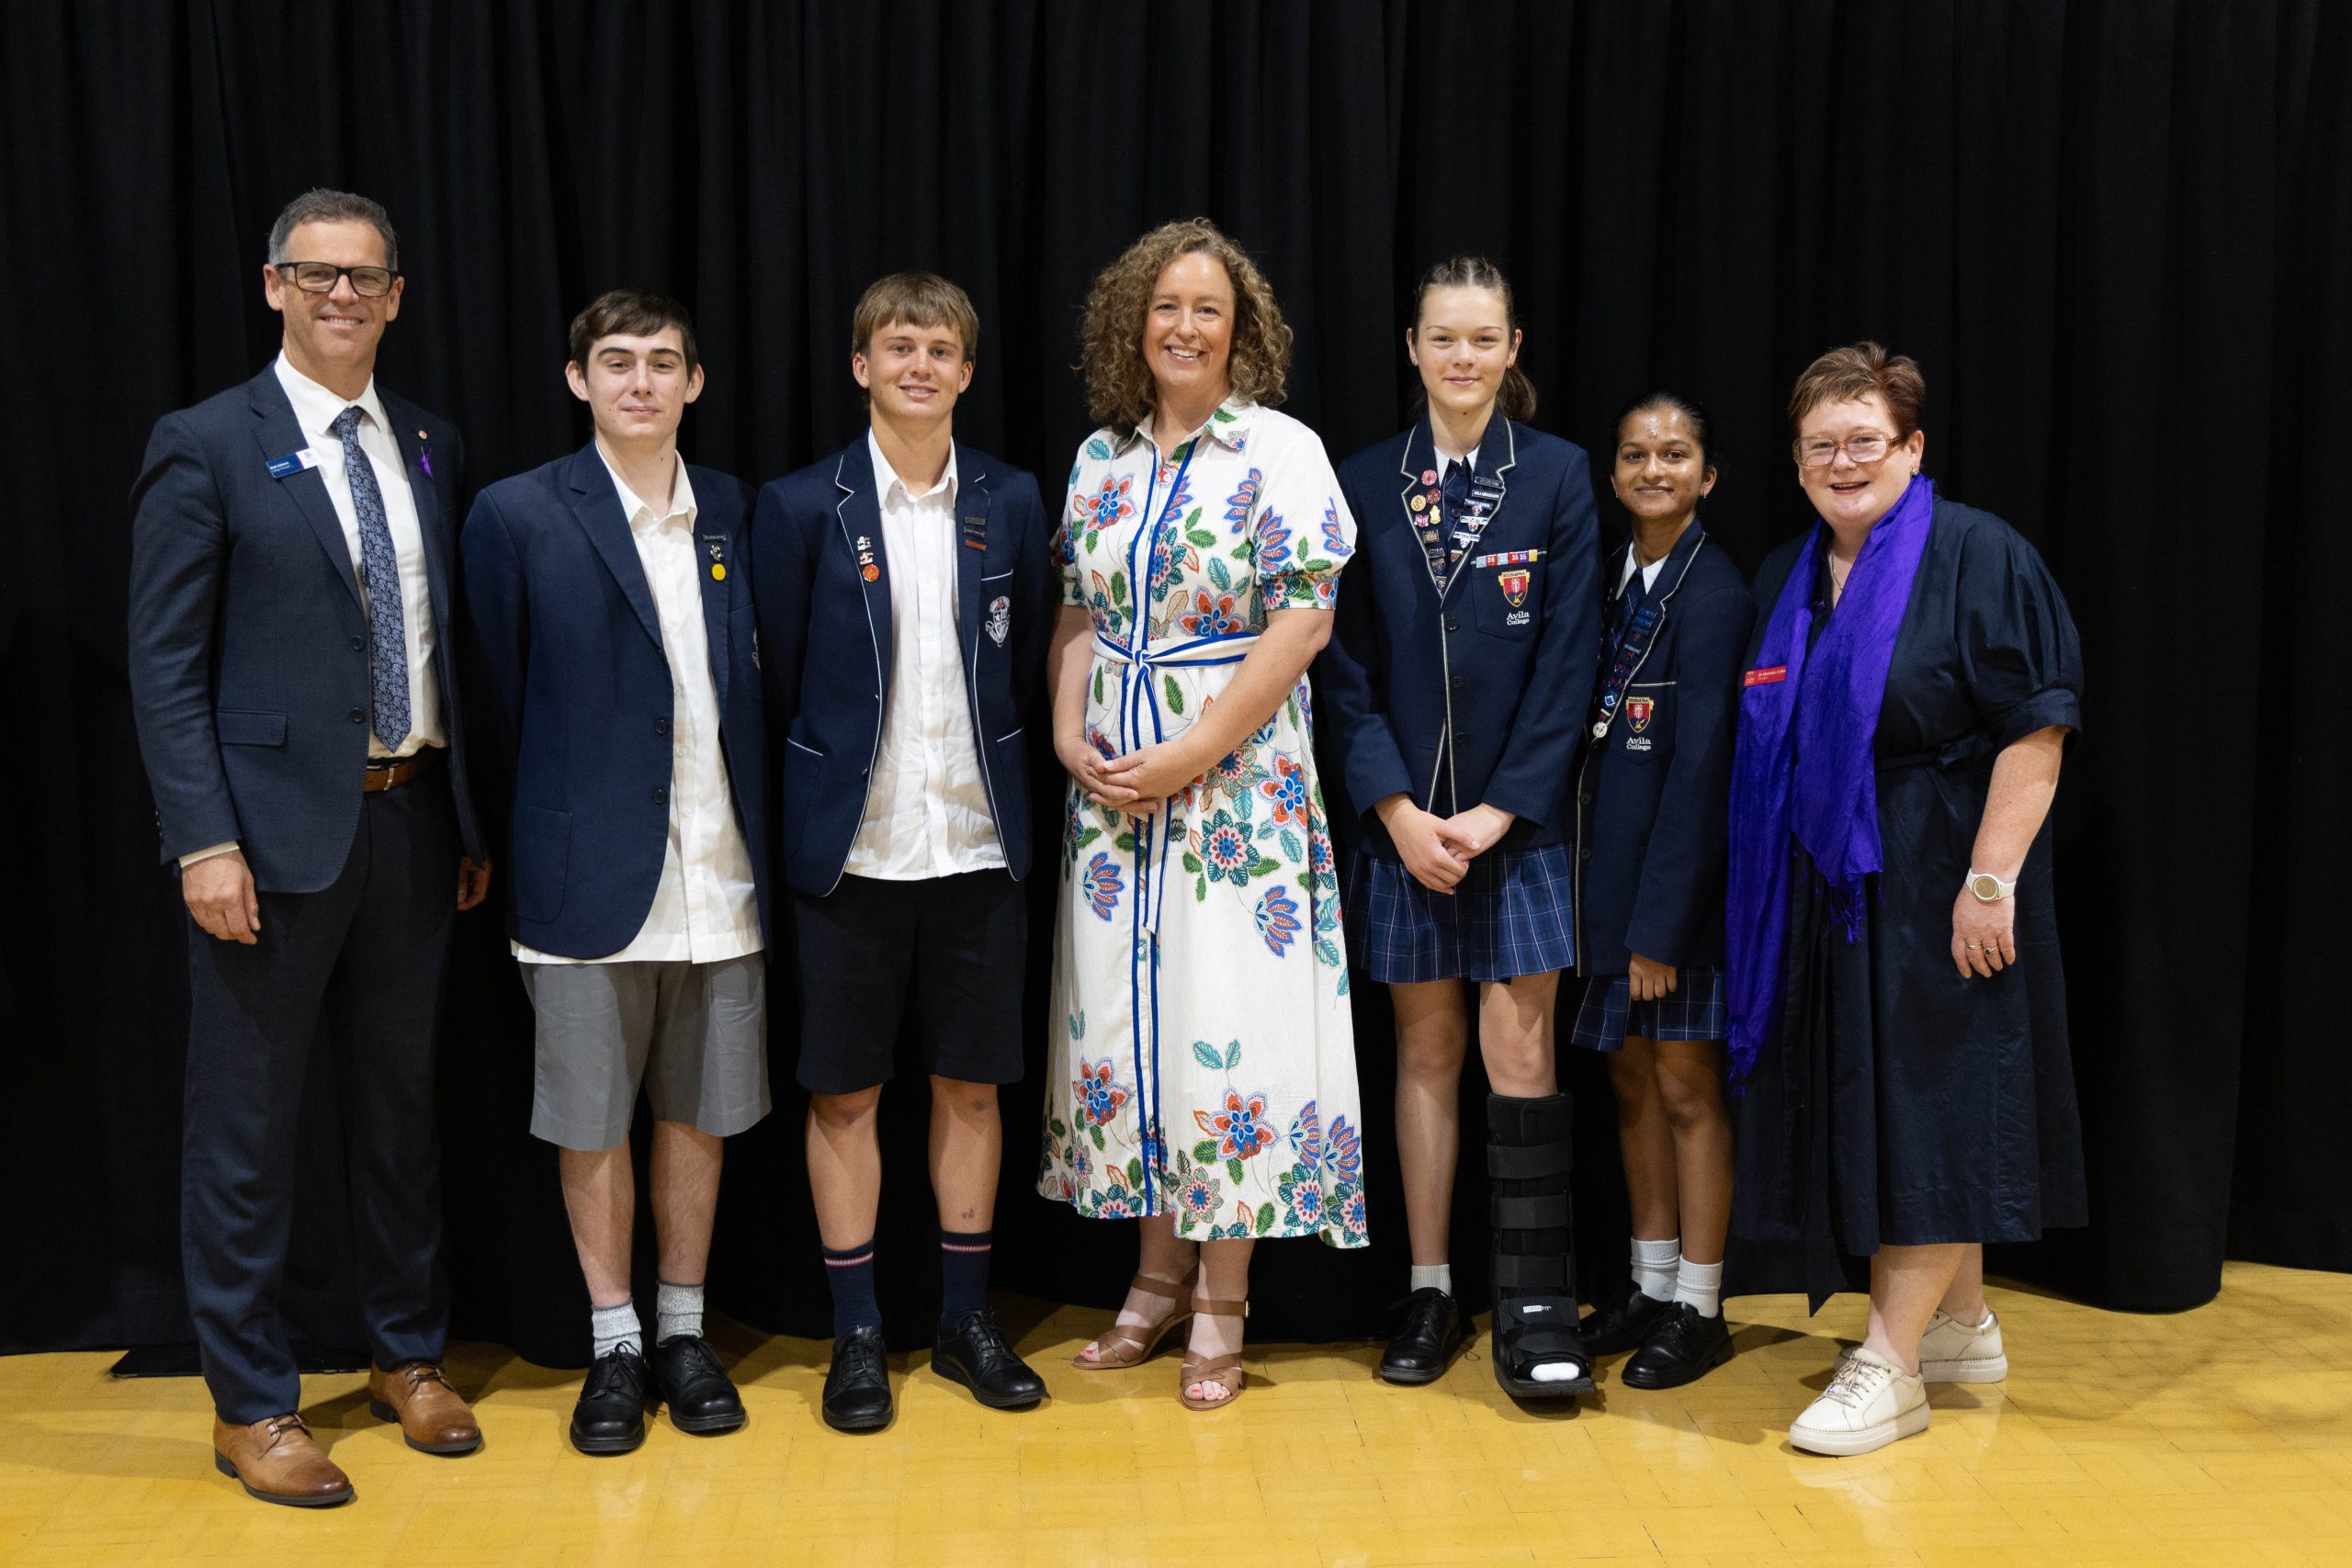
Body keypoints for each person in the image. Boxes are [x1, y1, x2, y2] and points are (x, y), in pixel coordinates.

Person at [127, 188, 491, 1506]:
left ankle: (406, 1354)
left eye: (365, 277)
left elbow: (449, 644)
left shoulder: (432, 442)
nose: (343, 294)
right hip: (265, 845)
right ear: (275, 285)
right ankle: (252, 1402)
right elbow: (165, 666)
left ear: (395, 297)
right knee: (248, 1129)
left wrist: (467, 816)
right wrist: (201, 841)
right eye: (317, 273)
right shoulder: (205, 442)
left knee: (399, 1114)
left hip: (414, 822)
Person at [1726, 343, 2084, 1456]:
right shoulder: (1787, 576)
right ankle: (1960, 1324)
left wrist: (1990, 883)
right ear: (1795, 461)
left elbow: (2037, 727)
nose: (1843, 462)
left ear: (1912, 448)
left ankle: (1891, 1366)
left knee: (1932, 1105)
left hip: (1941, 876)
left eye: (1864, 441)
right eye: (1820, 446)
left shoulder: (1979, 554)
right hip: (1833, 888)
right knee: (1894, 1109)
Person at [1037, 218, 1363, 1411]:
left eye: (1206, 309)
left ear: (1241, 329)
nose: (1183, 326)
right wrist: (1069, 732)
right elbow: (1077, 608)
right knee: (1139, 1024)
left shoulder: (1280, 450)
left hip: (1235, 790)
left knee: (1227, 1024)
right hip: (1116, 794)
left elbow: (1303, 622)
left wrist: (1191, 750)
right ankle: (1154, 1276)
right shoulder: (1102, 458)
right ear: (1135, 321)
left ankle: (1223, 1296)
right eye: (1165, 305)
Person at [461, 289, 769, 1455]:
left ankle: (683, 1333)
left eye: (663, 363)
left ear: (695, 383)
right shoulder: (518, 514)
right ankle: (614, 1343)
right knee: (590, 1118)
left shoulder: (734, 512)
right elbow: (490, 703)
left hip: (720, 870)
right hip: (581, 875)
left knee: (698, 1110)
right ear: (578, 379)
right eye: (619, 362)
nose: (642, 382)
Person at [752, 273, 1054, 1433]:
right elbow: (780, 674)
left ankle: (967, 1321)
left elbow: (1027, 654)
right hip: (851, 855)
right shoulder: (800, 506)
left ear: (966, 372)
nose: (918, 365)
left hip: (977, 847)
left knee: (971, 1087)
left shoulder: (1011, 500)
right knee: (844, 1096)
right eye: (897, 346)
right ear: (861, 366)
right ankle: (858, 1335)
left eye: (938, 349)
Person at [1317, 256, 1600, 1396]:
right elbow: (1339, 669)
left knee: (1520, 1051)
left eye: (1484, 338)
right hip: (1403, 828)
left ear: (1513, 348)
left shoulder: (1560, 475)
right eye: (1444, 338)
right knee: (1425, 1053)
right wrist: (1394, 810)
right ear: (1412, 347)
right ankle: (1429, 1289)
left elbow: (1571, 658)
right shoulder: (1360, 479)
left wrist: (1495, 811)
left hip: (1515, 826)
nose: (1464, 358)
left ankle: (1533, 1301)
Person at [1568, 394, 1754, 1388]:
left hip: (1673, 905)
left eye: (1675, 454)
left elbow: (1702, 772)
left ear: (1707, 476)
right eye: (1636, 454)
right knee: (1630, 1081)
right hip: (1608, 887)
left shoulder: (1713, 593)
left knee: (1686, 1087)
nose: (1654, 469)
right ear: (1613, 474)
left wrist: (1659, 929)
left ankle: (1699, 1304)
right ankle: (1646, 1286)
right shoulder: (1607, 577)